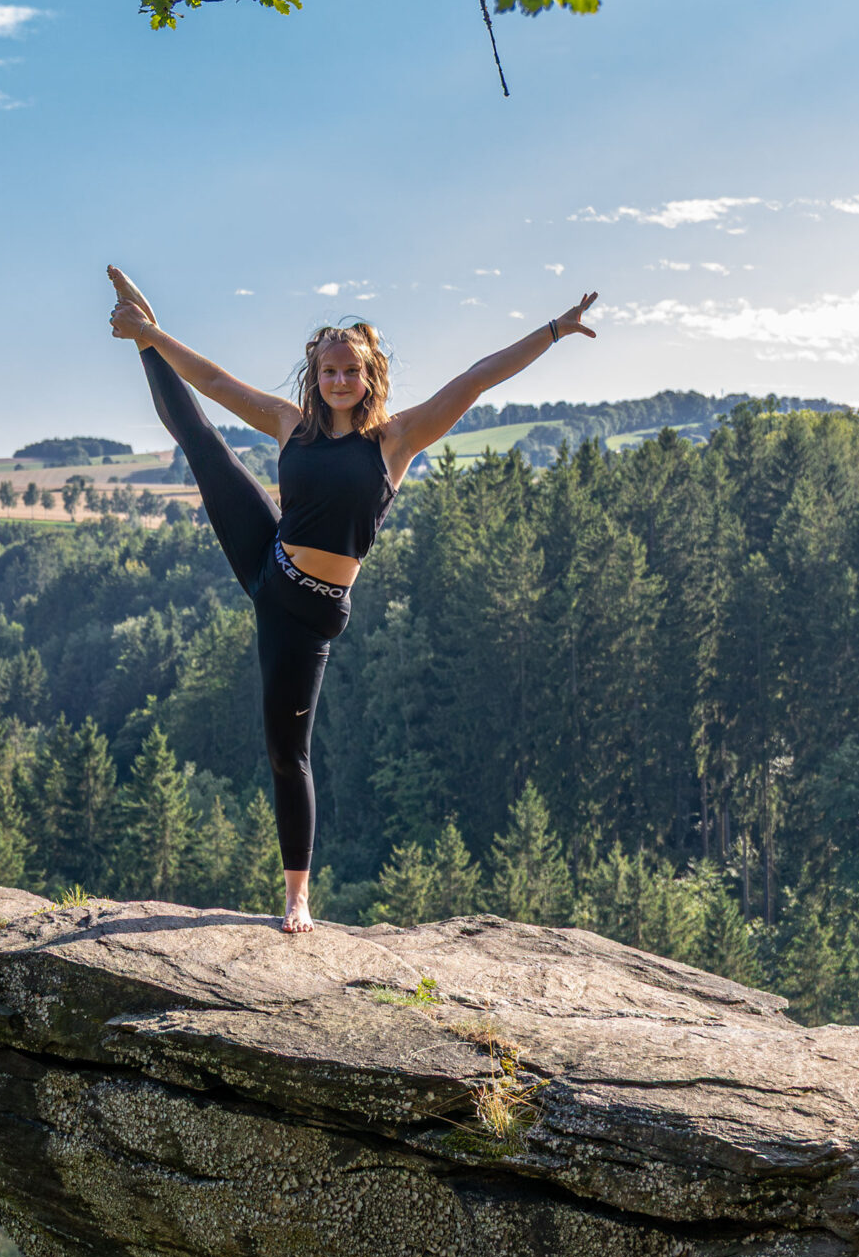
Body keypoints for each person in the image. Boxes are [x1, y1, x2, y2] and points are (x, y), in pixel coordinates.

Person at [106, 265, 600, 932]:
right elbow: (217, 383)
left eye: (351, 371)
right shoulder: (290, 424)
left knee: (288, 752)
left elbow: (477, 378)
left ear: (370, 376)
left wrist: (553, 330)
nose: (339, 381)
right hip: (267, 557)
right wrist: (152, 335)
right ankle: (141, 336)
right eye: (328, 372)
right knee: (201, 443)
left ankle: (297, 898)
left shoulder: (394, 442)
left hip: (305, 614)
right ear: (315, 377)